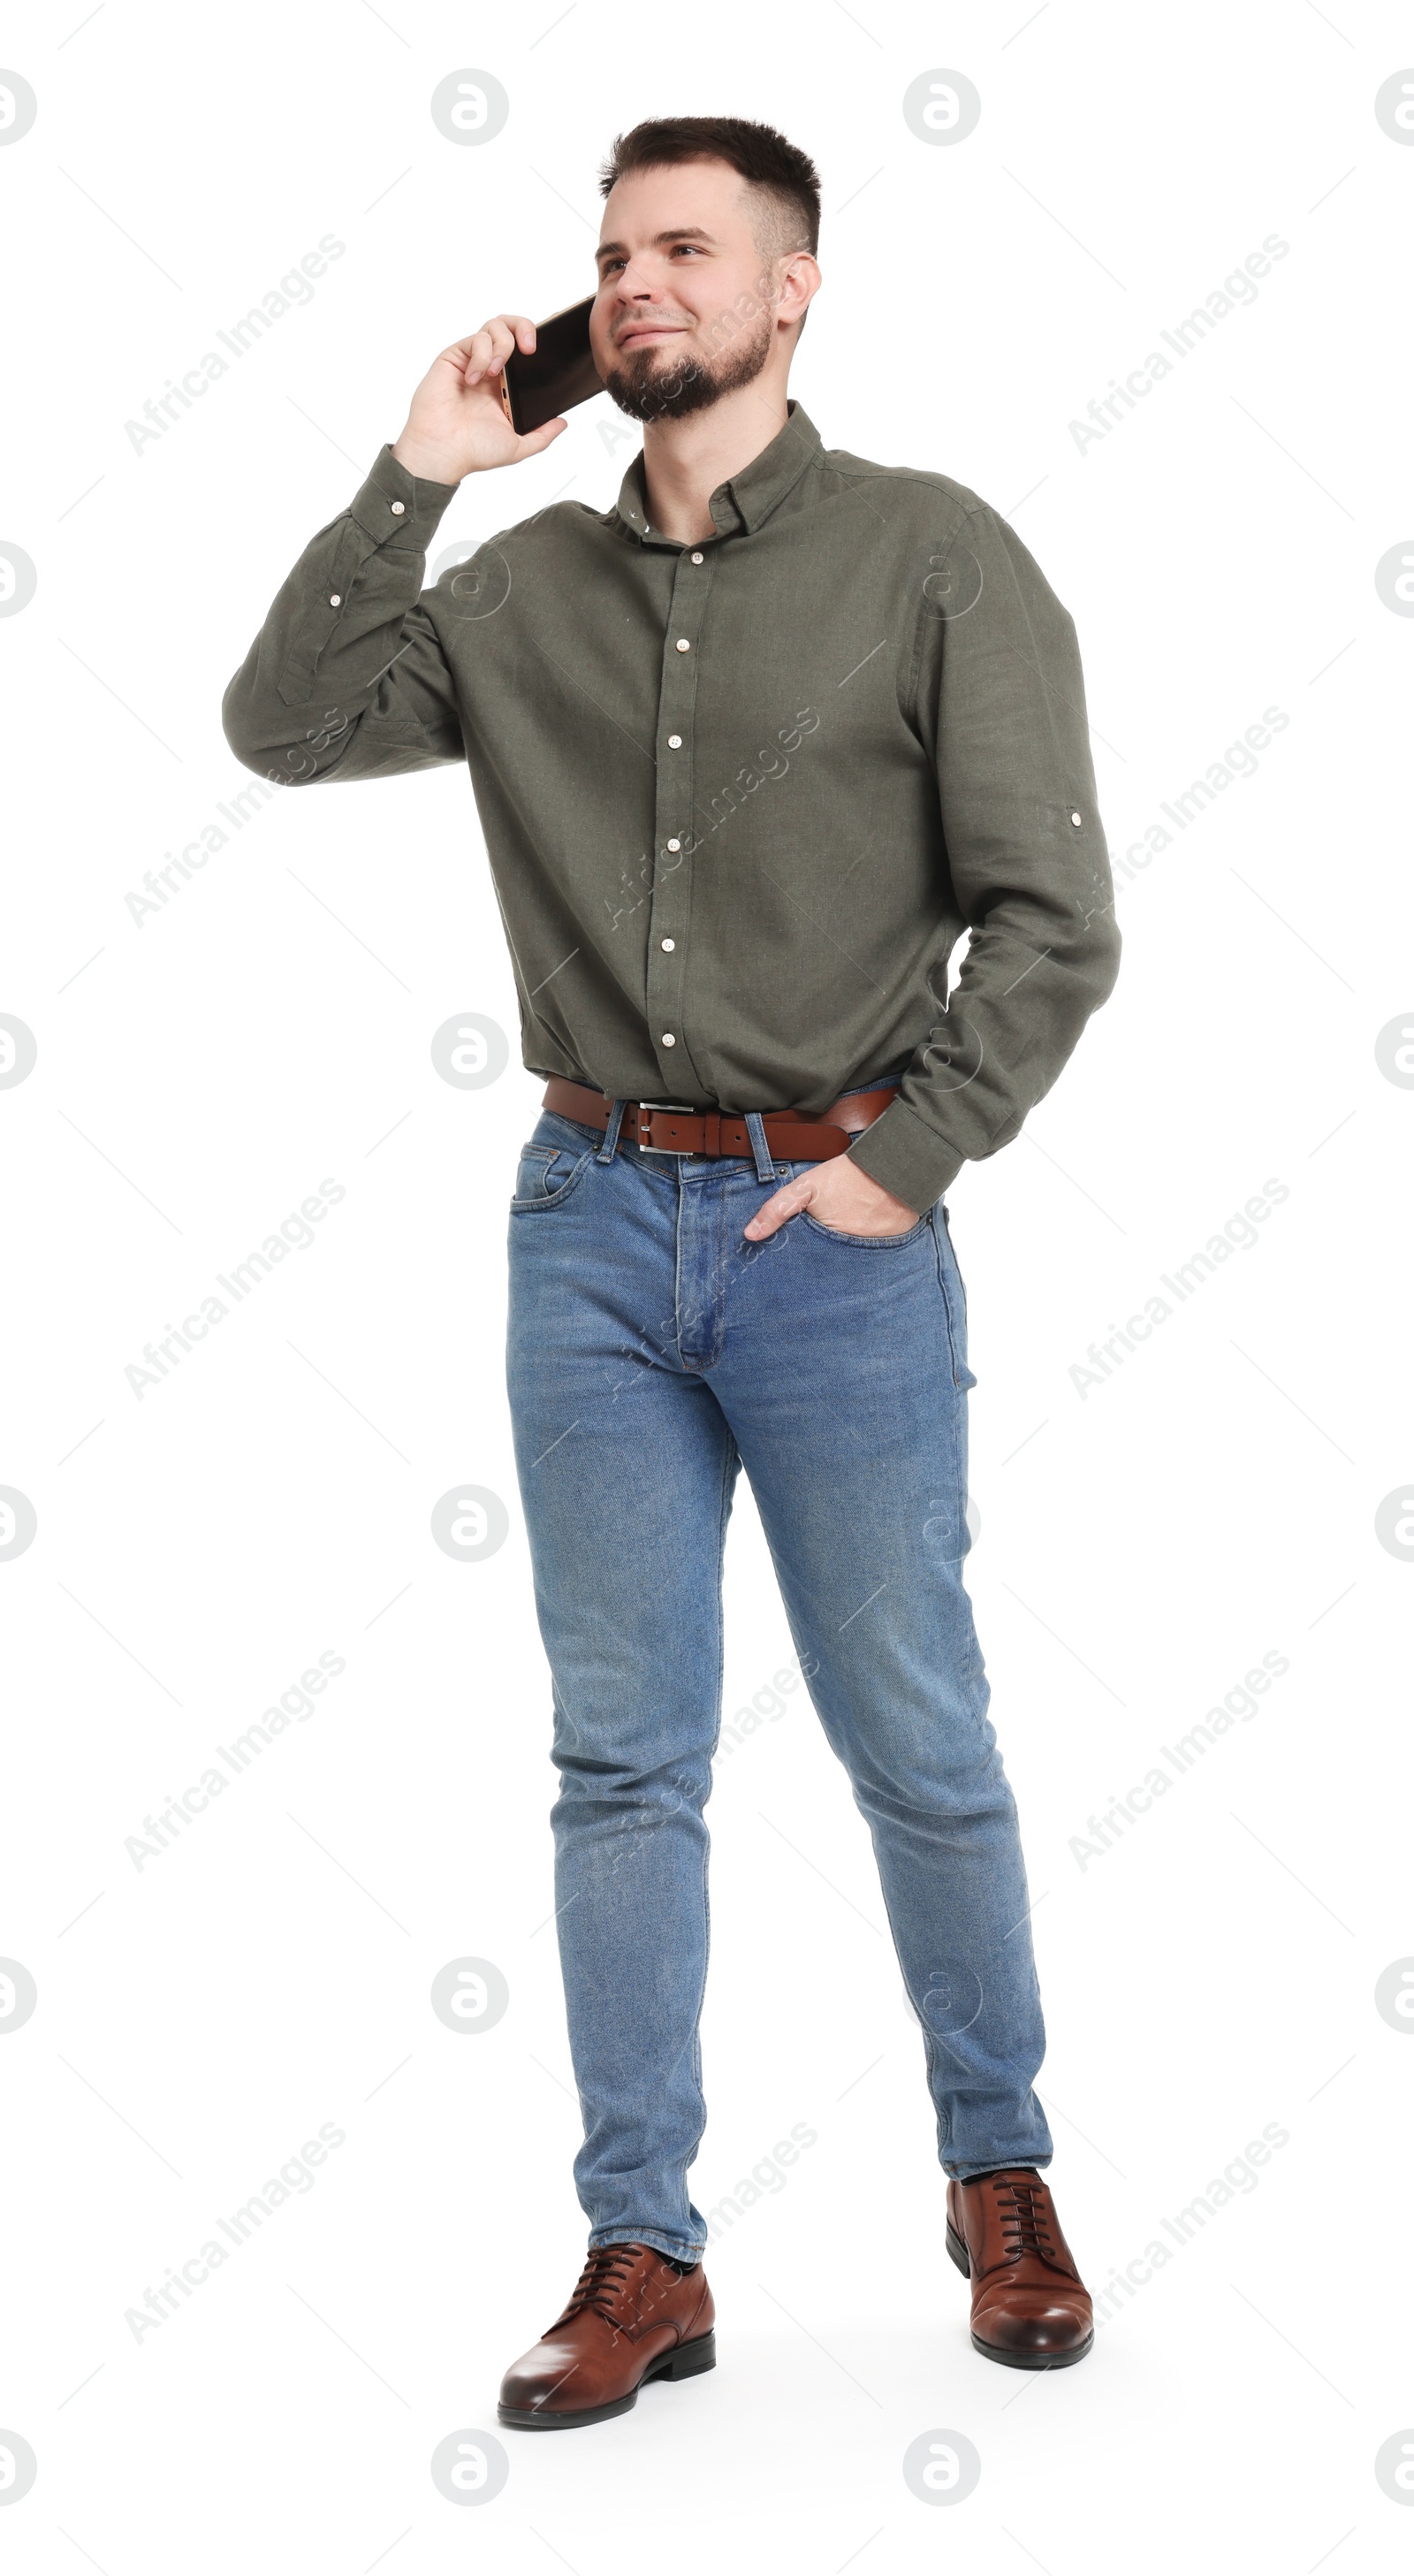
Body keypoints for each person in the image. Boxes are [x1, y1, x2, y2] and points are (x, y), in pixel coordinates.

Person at [223, 113, 1120, 2427]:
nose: (637, 283)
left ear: (793, 289)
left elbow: (1052, 920)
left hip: (841, 1228)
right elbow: (283, 721)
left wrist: (910, 1157)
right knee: (622, 1755)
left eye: (686, 249)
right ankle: (645, 2247)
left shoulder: (938, 559)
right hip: (591, 1226)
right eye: (612, 253)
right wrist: (418, 468)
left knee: (916, 1734)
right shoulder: (516, 597)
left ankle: (1000, 2173)